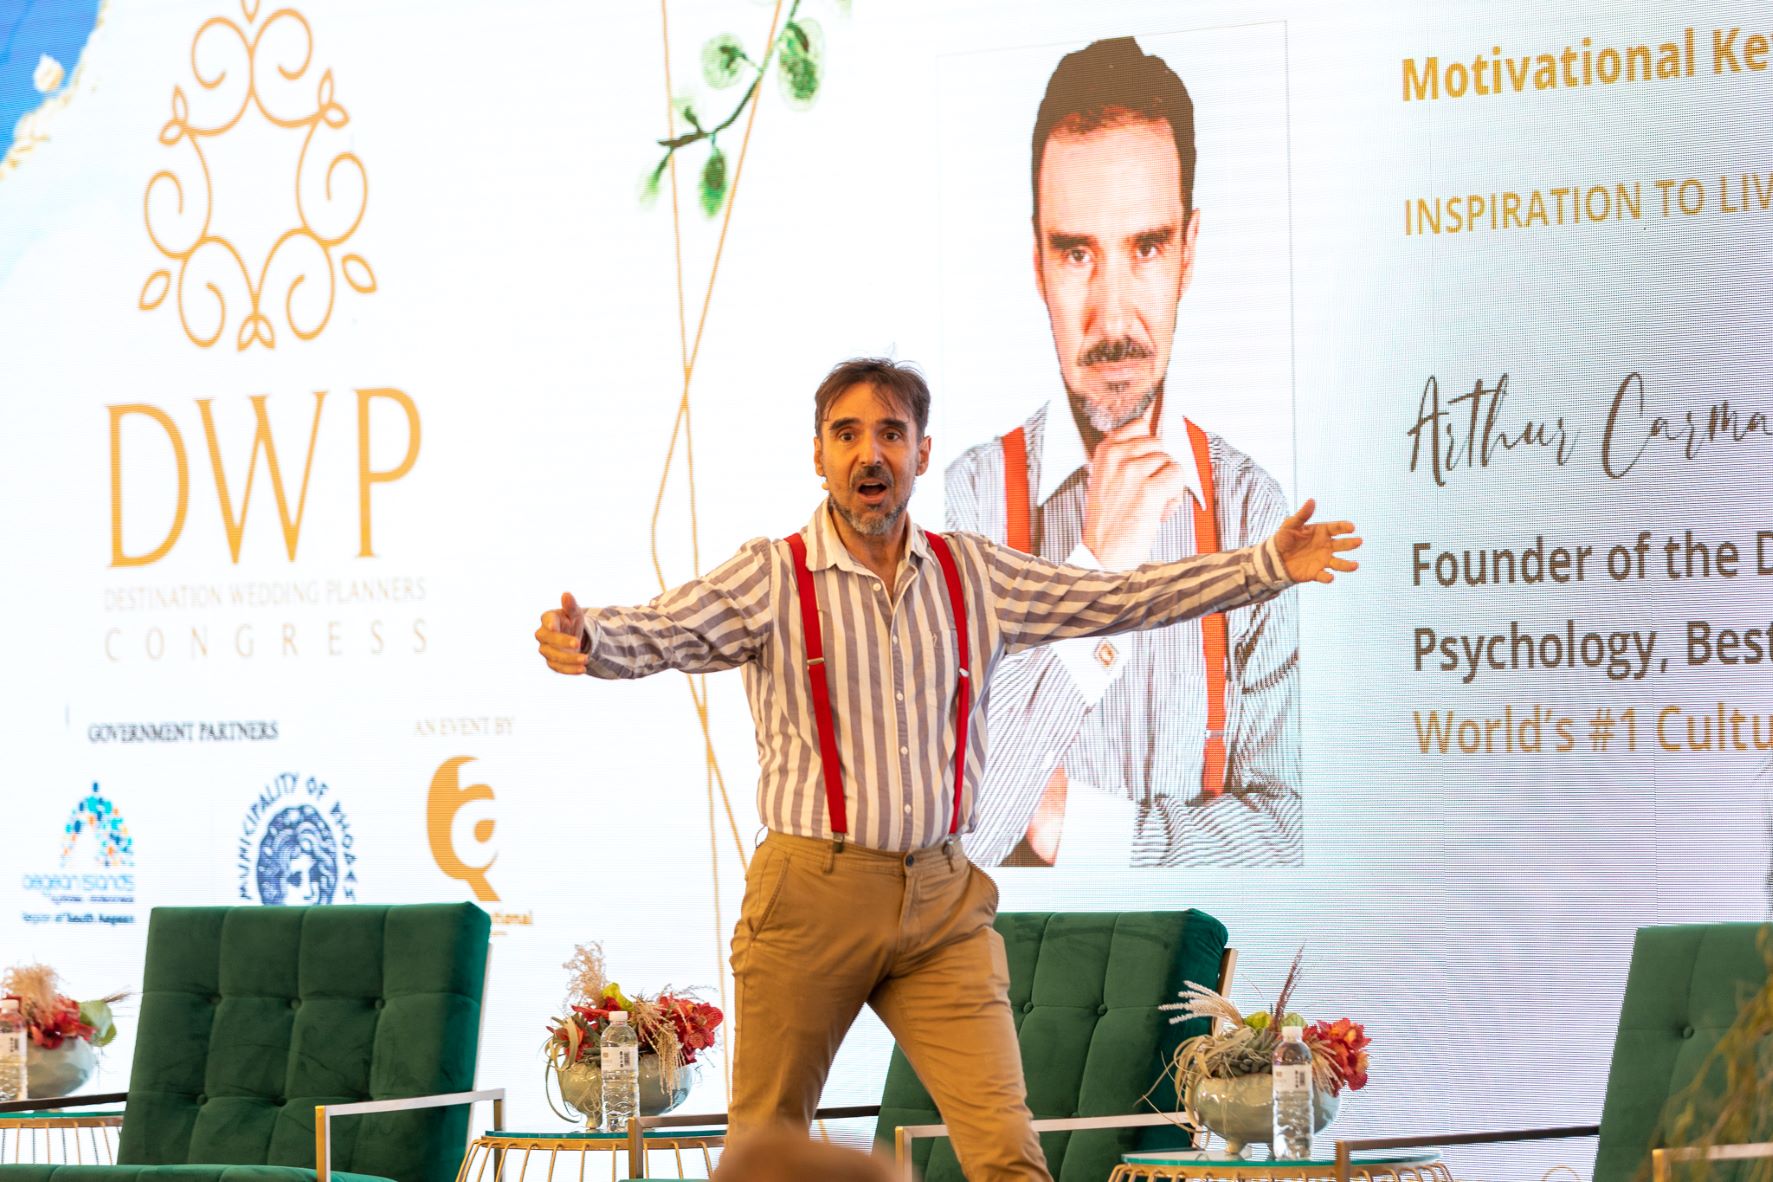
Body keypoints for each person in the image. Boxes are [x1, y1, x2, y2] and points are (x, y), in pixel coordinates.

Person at [534, 357, 1359, 1182]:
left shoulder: (972, 574)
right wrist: (590, 639)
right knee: (765, 1149)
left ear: (921, 453)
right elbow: (665, 629)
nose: (869, 454)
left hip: (941, 904)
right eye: (846, 435)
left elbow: (1117, 598)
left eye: (890, 434)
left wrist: (1263, 566)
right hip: (809, 897)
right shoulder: (772, 575)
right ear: (818, 455)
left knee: (1007, 1153)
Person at [946, 36, 1300, 868]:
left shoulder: (1252, 512)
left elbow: (1288, 830)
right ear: (1037, 263)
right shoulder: (962, 504)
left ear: (1188, 252)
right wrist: (1097, 568)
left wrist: (1081, 827)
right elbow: (954, 829)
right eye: (1076, 253)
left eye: (1145, 247)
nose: (1112, 318)